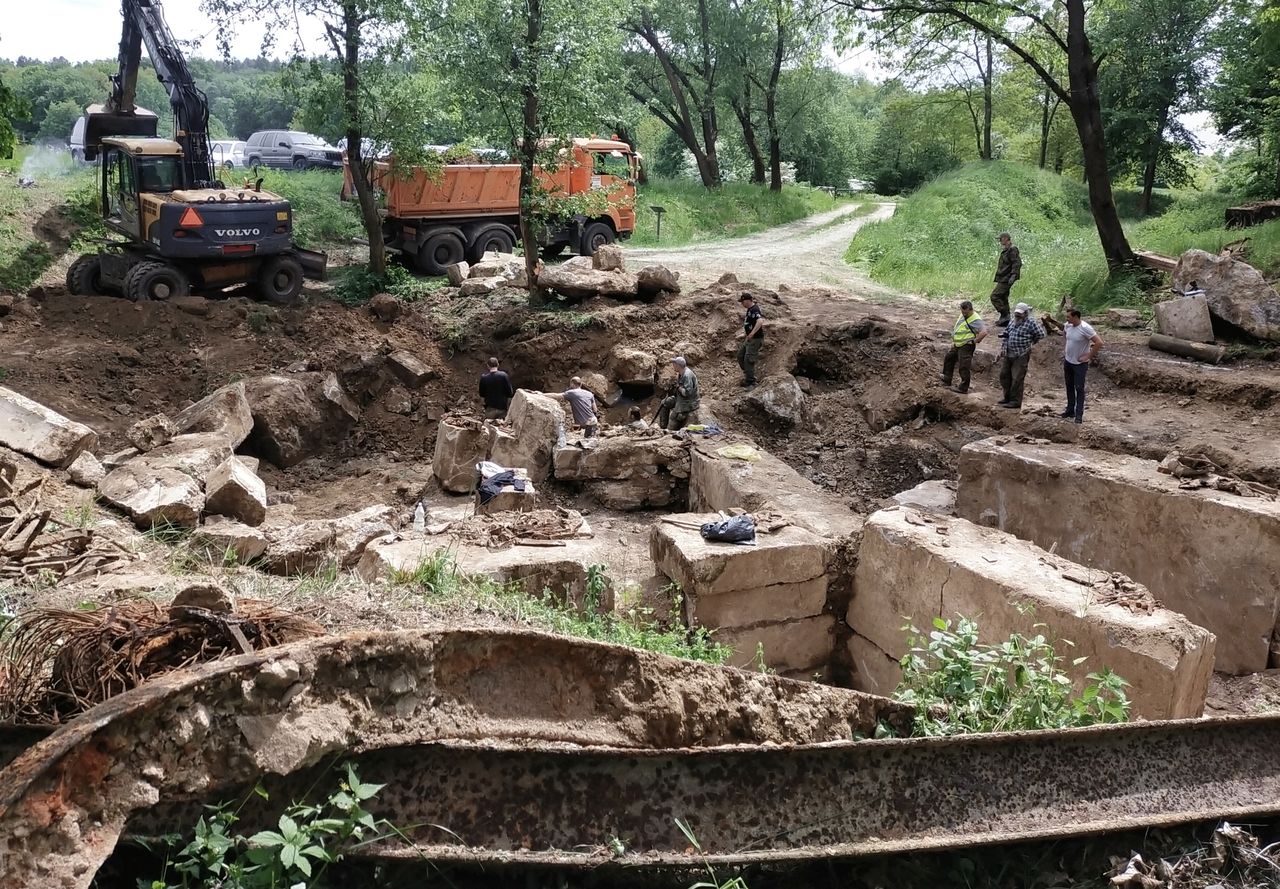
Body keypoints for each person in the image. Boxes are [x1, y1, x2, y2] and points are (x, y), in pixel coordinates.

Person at [997, 302, 1044, 409]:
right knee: (1004, 375)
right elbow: (1007, 333)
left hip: (1021, 354)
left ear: (1026, 313)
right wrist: (1002, 348)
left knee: (1017, 378)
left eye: (1020, 314)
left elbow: (1041, 335)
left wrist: (1031, 342)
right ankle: (1007, 397)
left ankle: (1015, 401)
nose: (1018, 315)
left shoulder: (1031, 323)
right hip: (1008, 352)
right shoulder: (1013, 321)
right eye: (1016, 313)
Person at [1062, 308, 1103, 424]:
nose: (1067, 319)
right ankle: (1070, 410)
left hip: (1080, 364)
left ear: (1076, 317)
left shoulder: (1085, 328)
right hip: (1068, 361)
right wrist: (1065, 347)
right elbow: (1064, 333)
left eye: (1069, 317)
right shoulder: (1068, 326)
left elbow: (1099, 342)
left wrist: (1088, 355)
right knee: (1069, 385)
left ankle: (1079, 414)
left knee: (1079, 388)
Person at [940, 300, 988, 394]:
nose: (963, 314)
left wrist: (974, 341)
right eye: (962, 312)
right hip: (958, 344)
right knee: (949, 358)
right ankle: (947, 378)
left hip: (966, 346)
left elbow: (984, 332)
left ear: (970, 310)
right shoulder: (963, 314)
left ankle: (963, 387)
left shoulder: (976, 320)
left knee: (964, 365)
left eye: (965, 312)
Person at [657, 356, 700, 430]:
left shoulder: (687, 375)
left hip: (688, 402)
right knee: (664, 402)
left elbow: (687, 393)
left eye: (674, 364)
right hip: (681, 398)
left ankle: (669, 430)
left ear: (678, 365)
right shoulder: (681, 373)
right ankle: (663, 427)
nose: (673, 366)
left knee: (673, 417)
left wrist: (678, 387)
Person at [991, 232, 1022, 327]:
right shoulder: (1007, 250)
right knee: (1003, 297)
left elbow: (1017, 263)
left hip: (1007, 278)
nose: (1000, 241)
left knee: (995, 296)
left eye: (1001, 239)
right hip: (1003, 277)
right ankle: (1005, 319)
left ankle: (1005, 315)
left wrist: (1013, 275)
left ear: (1005, 239)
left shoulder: (1012, 250)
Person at [737, 293, 765, 387]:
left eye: (743, 302)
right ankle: (749, 374)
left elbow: (760, 321)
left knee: (748, 359)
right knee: (740, 355)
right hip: (749, 338)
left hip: (755, 339)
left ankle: (750, 381)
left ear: (747, 300)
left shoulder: (755, 309)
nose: (742, 304)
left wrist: (752, 333)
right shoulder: (750, 309)